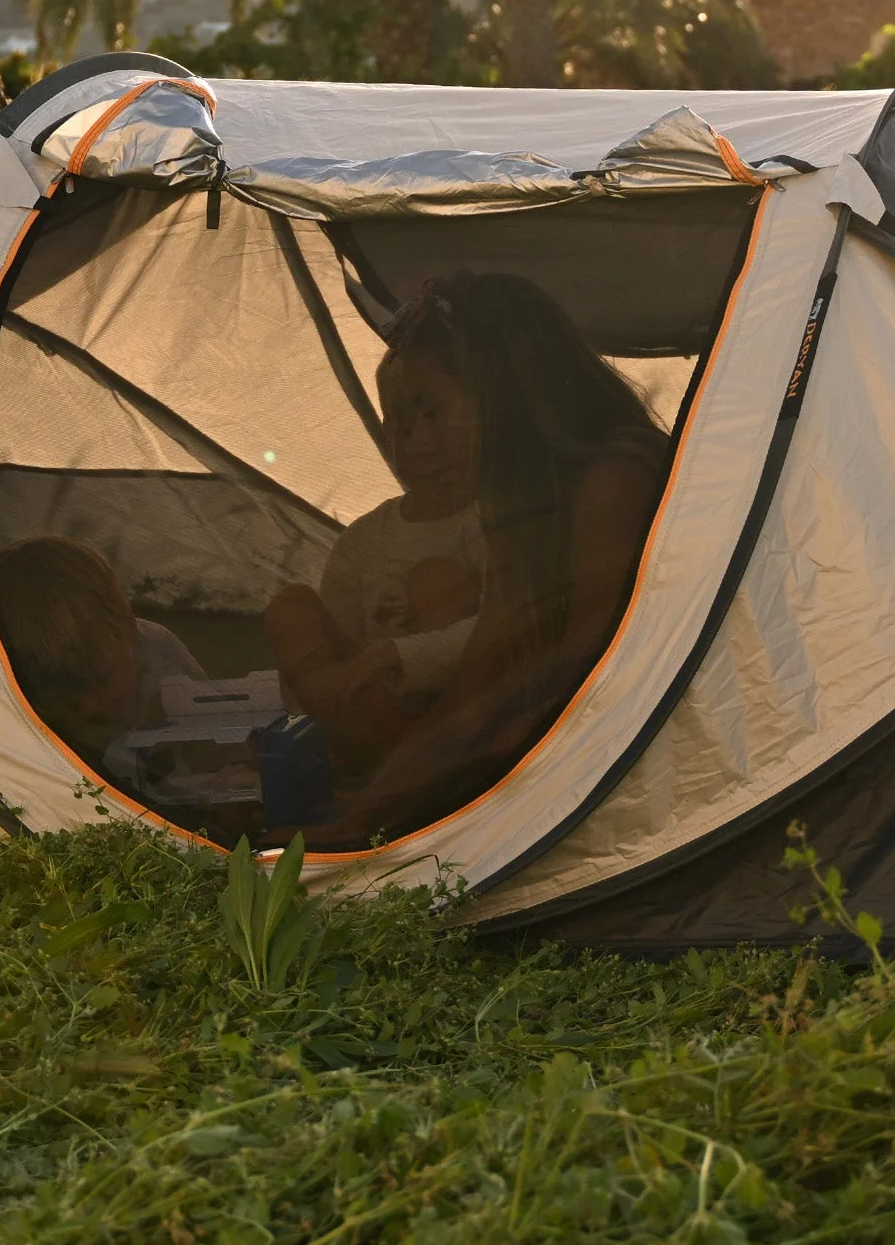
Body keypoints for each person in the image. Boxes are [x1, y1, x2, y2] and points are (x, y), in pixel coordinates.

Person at [269, 270, 670, 851]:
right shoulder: (522, 499)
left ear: (501, 392)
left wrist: (439, 797)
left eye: (434, 411)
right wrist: (372, 810)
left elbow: (583, 686)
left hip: (620, 766)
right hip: (551, 752)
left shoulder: (617, 477)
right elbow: (479, 685)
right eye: (406, 420)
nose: (421, 441)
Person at [262, 337, 488, 776]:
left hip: (459, 718)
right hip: (374, 714)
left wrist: (392, 654)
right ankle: (346, 751)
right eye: (401, 429)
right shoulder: (364, 539)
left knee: (435, 579)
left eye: (435, 418)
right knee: (291, 608)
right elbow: (336, 646)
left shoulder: (493, 519)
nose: (420, 445)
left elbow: (506, 623)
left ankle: (420, 763)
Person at [0, 535, 207, 770]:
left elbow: (210, 727)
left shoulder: (161, 653)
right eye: (68, 695)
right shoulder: (22, 710)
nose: (92, 705)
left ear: (128, 626)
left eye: (100, 680)